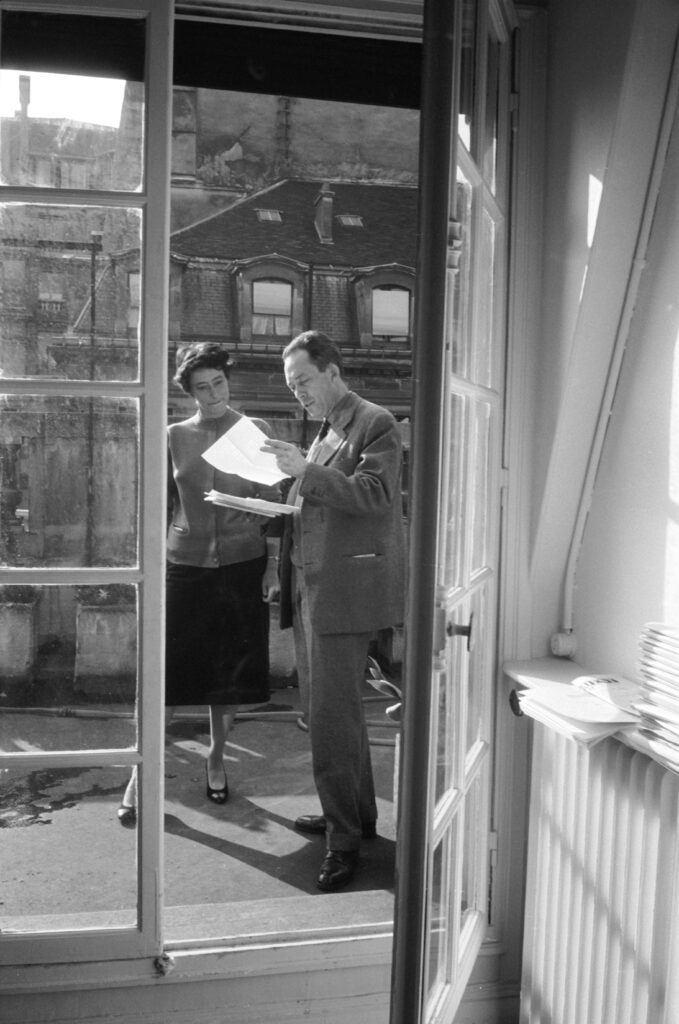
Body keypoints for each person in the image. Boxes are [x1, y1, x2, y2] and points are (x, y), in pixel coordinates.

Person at [261, 330, 406, 890]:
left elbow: (373, 495)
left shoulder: (375, 421)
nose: (297, 392)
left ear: (332, 371)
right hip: (314, 584)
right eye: (291, 384)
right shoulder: (326, 427)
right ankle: (357, 816)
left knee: (330, 720)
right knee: (335, 711)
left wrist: (305, 473)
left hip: (346, 591)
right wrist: (272, 512)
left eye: (302, 380)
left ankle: (343, 842)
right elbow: (315, 503)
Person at [118, 342, 279, 826]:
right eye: (201, 387)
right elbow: (155, 510)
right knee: (165, 675)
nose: (212, 394)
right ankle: (138, 773)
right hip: (184, 566)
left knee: (225, 679)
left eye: (219, 384)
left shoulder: (257, 432)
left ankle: (215, 757)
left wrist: (270, 568)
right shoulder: (172, 436)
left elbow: (275, 506)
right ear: (188, 393)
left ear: (229, 383)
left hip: (242, 564)